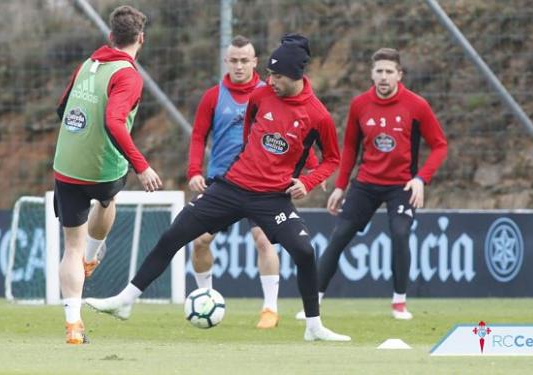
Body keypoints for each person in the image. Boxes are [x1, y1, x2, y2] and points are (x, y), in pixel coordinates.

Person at [86, 34, 351, 342]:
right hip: (232, 187)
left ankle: (313, 326)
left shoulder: (317, 115)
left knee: (305, 251)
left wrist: (307, 181)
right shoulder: (261, 96)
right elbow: (251, 130)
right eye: (268, 73)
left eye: (276, 75)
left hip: (272, 199)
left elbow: (333, 159)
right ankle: (125, 301)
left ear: (295, 75)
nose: (269, 80)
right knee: (175, 234)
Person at [296, 47, 447, 321]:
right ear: (372, 74)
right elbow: (351, 147)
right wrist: (341, 186)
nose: (384, 77)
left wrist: (420, 179)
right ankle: (313, 300)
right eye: (379, 71)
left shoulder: (417, 106)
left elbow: (439, 145)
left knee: (400, 234)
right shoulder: (360, 105)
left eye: (390, 71)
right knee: (340, 235)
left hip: (402, 185)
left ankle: (399, 302)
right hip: (366, 183)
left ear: (399, 75)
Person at [187, 35, 318, 329]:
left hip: (264, 185)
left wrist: (311, 172)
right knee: (200, 241)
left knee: (262, 240)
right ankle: (204, 296)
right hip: (223, 182)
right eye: (233, 60)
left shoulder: (274, 91)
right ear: (226, 61)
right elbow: (198, 135)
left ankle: (269, 308)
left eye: (244, 60)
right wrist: (194, 171)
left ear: (256, 62)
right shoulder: (213, 96)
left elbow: (296, 137)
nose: (239, 66)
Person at [52, 5, 162, 344]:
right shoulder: (128, 75)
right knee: (107, 197)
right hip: (102, 168)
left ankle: (73, 326)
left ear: (110, 37)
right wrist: (141, 165)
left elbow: (62, 107)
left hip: (67, 165)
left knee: (70, 246)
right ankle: (93, 255)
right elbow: (114, 121)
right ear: (140, 39)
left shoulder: (88, 64)